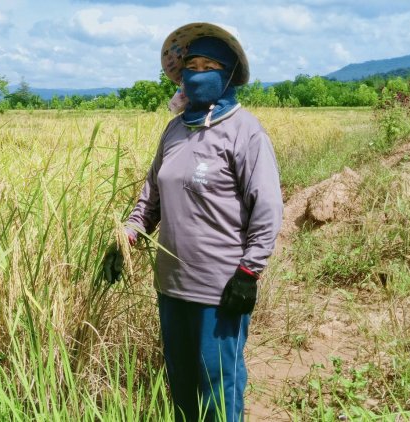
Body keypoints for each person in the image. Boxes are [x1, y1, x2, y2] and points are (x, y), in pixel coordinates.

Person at [102, 22, 283, 421]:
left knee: (219, 383)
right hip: (171, 285)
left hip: (220, 289)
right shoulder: (175, 130)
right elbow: (150, 198)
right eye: (191, 65)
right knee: (181, 384)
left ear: (229, 74)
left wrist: (249, 272)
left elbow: (267, 207)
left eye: (209, 65)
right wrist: (125, 240)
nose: (197, 73)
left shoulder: (244, 131)